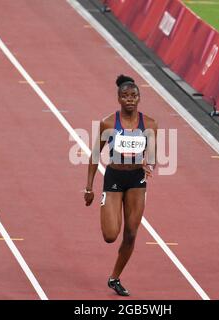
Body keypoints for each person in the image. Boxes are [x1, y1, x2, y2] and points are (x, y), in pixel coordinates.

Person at [84, 74, 157, 296]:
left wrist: (149, 164)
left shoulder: (150, 124)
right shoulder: (108, 122)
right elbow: (95, 155)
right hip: (114, 177)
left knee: (131, 234)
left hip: (136, 181)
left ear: (139, 98)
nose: (130, 100)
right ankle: (108, 209)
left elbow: (151, 154)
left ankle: (114, 277)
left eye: (133, 96)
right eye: (125, 96)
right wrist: (89, 187)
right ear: (119, 99)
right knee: (110, 235)